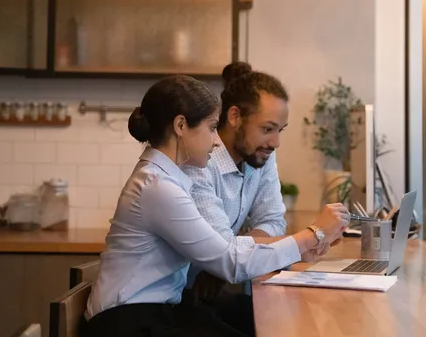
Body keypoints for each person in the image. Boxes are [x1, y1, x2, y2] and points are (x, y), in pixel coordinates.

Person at [84, 75, 350, 337]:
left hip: (156, 310)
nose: (215, 140)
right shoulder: (158, 187)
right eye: (211, 127)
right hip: (126, 322)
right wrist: (311, 235)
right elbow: (230, 261)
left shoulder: (165, 177)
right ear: (181, 125)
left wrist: (300, 247)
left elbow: (227, 252)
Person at [183, 63, 340, 332]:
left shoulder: (261, 155)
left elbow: (272, 220)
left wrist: (227, 259)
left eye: (280, 130)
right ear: (234, 116)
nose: (275, 142)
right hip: (182, 299)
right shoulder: (199, 163)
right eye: (268, 129)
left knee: (293, 319)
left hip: (218, 290)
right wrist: (313, 234)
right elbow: (225, 255)